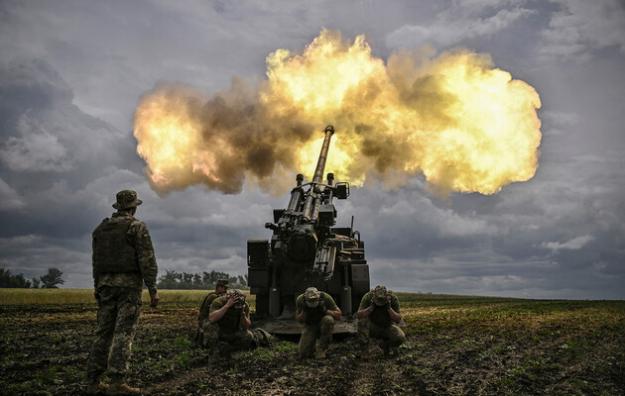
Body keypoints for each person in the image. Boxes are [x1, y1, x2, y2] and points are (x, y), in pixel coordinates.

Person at [86, 190, 159, 395]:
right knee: (123, 333)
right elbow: (147, 261)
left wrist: (96, 287)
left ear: (118, 207)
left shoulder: (100, 229)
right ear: (134, 207)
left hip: (104, 286)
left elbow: (96, 262)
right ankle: (116, 382)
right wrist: (152, 289)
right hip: (128, 287)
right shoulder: (136, 227)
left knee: (102, 333)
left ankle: (93, 381)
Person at [209, 289, 271, 356]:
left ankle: (230, 347)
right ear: (228, 297)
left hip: (233, 330)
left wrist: (243, 315)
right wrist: (227, 306)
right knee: (210, 333)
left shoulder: (244, 305)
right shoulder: (219, 302)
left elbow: (247, 326)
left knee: (249, 336)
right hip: (219, 329)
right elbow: (212, 319)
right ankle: (215, 345)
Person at [356, 285, 406, 356]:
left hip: (387, 326)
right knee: (362, 322)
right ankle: (364, 351)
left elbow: (398, 319)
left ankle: (385, 345)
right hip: (373, 326)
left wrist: (389, 308)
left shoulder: (393, 298)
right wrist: (371, 307)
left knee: (400, 337)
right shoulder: (368, 297)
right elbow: (359, 315)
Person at [295, 287, 342, 359]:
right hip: (310, 324)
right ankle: (311, 346)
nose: (312, 302)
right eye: (310, 301)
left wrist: (326, 311)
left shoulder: (325, 297)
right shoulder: (300, 300)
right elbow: (299, 320)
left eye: (314, 300)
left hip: (323, 322)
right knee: (303, 353)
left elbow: (339, 315)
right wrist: (304, 312)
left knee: (328, 320)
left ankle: (322, 349)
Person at [196, 279, 229, 347]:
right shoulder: (214, 297)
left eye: (226, 288)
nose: (225, 290)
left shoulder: (214, 295)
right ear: (219, 287)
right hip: (206, 320)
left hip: (206, 318)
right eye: (224, 288)